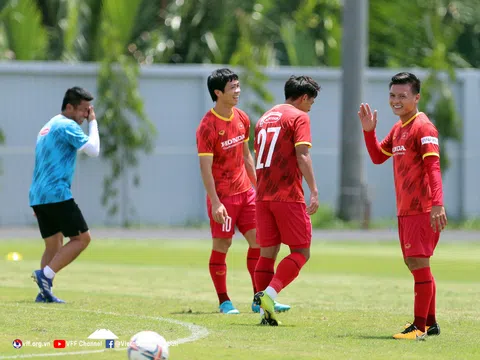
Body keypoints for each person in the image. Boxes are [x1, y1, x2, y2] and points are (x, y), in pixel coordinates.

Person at [359, 72, 447, 340]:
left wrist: (437, 204)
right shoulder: (399, 128)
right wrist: (369, 131)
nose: (396, 101)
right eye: (392, 96)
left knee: (418, 262)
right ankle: (430, 323)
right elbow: (376, 157)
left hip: (422, 209)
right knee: (414, 263)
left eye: (402, 96)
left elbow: (433, 167)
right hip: (406, 210)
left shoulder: (423, 127)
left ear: (416, 97)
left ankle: (419, 327)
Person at [196, 68, 290, 315]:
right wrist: (216, 202)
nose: (237, 91)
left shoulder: (243, 118)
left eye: (238, 85)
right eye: (232, 87)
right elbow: (205, 170)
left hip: (247, 194)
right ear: (218, 93)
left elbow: (247, 156)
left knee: (259, 243)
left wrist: (260, 189)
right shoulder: (207, 126)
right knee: (222, 245)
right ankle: (224, 300)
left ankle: (258, 298)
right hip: (223, 198)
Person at [253, 75, 320, 326]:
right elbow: (302, 154)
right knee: (302, 251)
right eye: (311, 102)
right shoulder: (298, 116)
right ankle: (269, 296)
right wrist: (313, 189)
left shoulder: (263, 118)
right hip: (287, 195)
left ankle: (263, 311)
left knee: (267, 252)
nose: (310, 108)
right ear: (304, 97)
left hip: (262, 195)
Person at [30, 86, 100, 303]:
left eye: (88, 112)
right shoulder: (66, 125)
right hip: (57, 193)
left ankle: (45, 294)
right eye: (83, 111)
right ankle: (46, 276)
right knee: (82, 238)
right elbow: (93, 149)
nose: (84, 116)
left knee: (54, 244)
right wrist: (93, 123)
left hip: (39, 195)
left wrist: (40, 201)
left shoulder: (49, 125)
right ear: (69, 107)